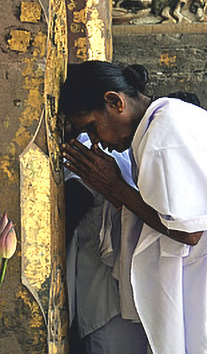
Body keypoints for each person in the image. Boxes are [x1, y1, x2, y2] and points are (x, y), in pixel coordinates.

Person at [61, 60, 207, 354]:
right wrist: (116, 192)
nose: (96, 140)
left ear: (115, 102)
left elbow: (188, 230)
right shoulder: (165, 123)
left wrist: (115, 187)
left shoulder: (167, 129)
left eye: (92, 126)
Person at [65, 133, 148, 354]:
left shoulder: (90, 145)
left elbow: (74, 203)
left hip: (109, 298)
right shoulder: (126, 142)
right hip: (114, 297)